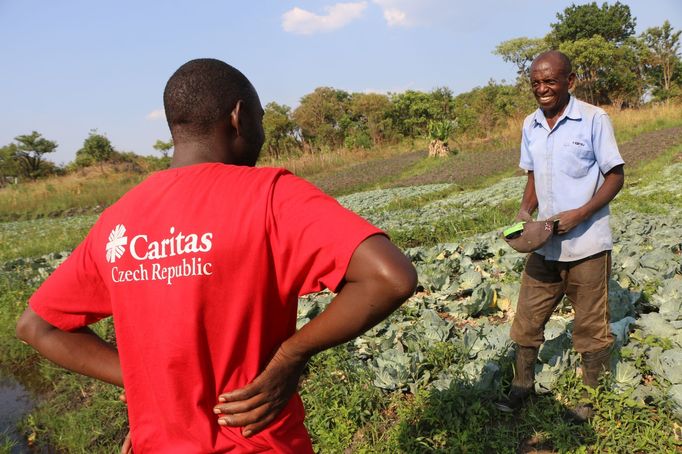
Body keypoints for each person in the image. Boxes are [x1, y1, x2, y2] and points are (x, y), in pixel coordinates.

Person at [15, 58, 417, 453]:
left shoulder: (117, 221)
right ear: (239, 117)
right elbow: (389, 277)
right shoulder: (269, 195)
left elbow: (38, 326)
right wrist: (292, 355)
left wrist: (143, 385)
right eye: (260, 118)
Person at [495, 51, 625, 420]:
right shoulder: (530, 124)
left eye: (550, 81)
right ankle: (522, 387)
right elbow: (533, 175)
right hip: (544, 244)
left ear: (569, 81)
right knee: (526, 320)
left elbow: (615, 175)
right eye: (536, 82)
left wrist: (580, 213)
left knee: (589, 326)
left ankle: (589, 399)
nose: (542, 89)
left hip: (587, 244)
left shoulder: (594, 119)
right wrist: (525, 212)